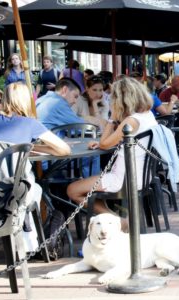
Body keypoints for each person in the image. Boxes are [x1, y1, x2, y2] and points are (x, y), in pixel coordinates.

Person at [0, 83, 70, 251]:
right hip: (17, 188)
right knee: (36, 189)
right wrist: (30, 146)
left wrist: (27, 146)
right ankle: (28, 237)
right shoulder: (30, 124)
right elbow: (64, 149)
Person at [67, 77, 157, 224]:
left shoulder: (131, 121)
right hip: (143, 176)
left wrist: (112, 118)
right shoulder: (147, 115)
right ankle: (118, 220)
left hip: (124, 179)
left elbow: (104, 144)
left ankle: (120, 222)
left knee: (73, 189)